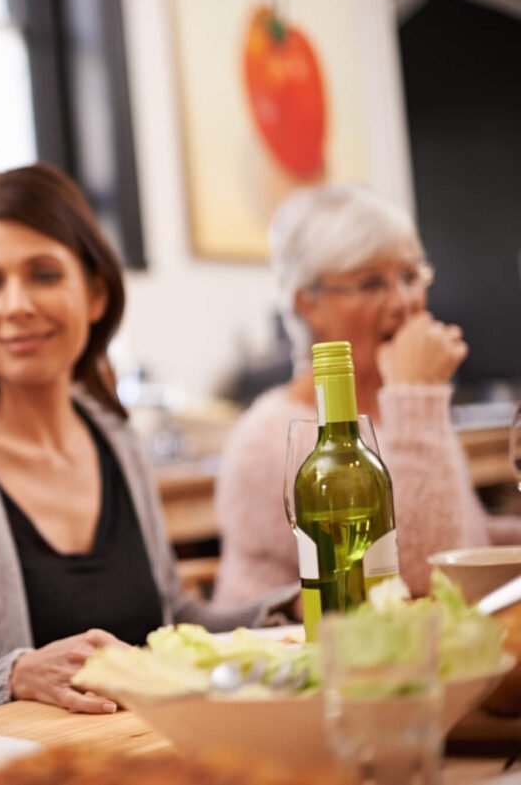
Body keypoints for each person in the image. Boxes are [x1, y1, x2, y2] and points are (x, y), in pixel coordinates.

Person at [0, 164, 295, 725]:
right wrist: (13, 679)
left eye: (43, 274)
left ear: (95, 294)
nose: (16, 304)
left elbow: (169, 621)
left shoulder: (116, 436)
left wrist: (284, 611)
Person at [212, 183, 521, 607]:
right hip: (293, 644)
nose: (404, 302)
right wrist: (417, 395)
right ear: (308, 305)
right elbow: (419, 579)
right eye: (373, 283)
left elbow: (465, 536)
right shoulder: (271, 439)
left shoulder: (400, 407)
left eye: (410, 276)